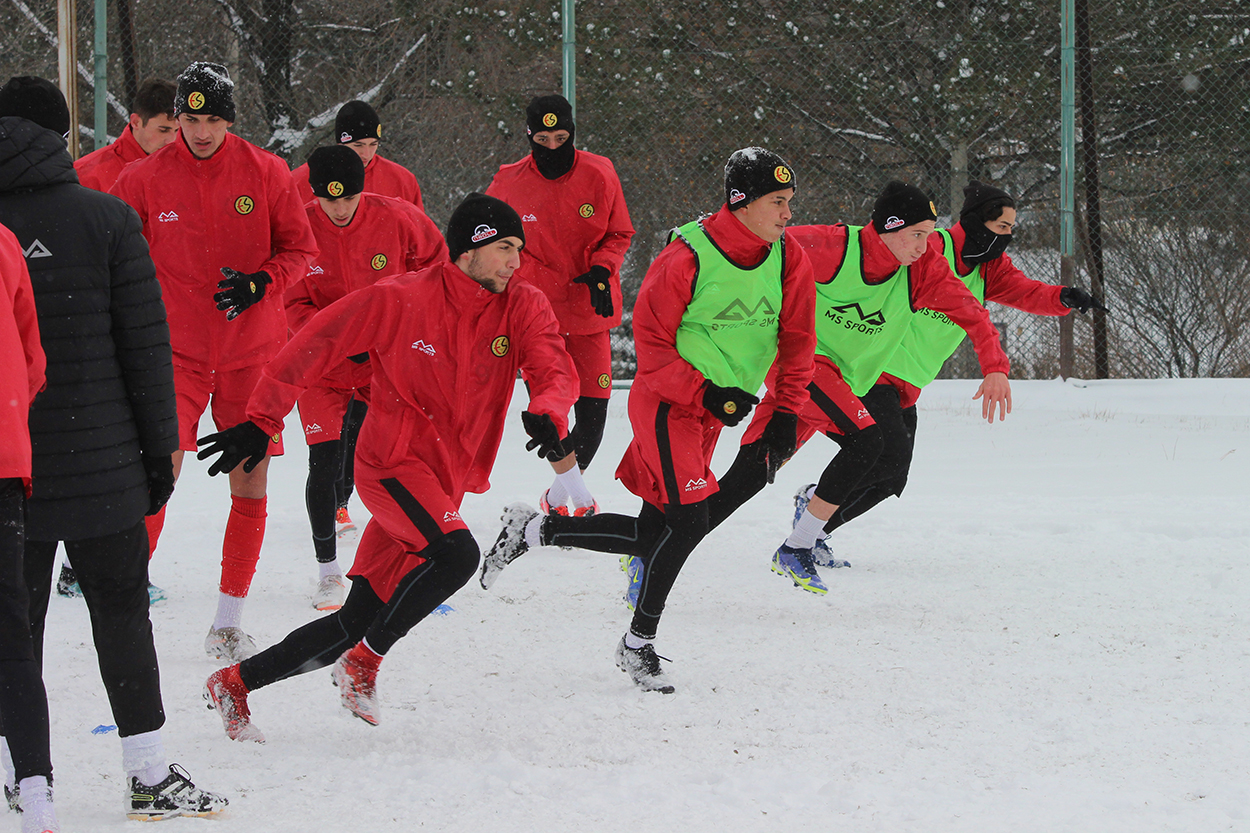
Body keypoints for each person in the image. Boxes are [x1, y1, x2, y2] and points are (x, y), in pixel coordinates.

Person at [200, 193, 577, 740]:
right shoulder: (401, 298)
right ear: (468, 251)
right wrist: (262, 418)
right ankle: (364, 663)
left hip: (441, 479)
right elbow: (315, 343)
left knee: (353, 620)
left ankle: (234, 683)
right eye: (504, 247)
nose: (516, 261)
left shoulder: (522, 303)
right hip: (391, 463)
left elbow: (551, 362)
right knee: (457, 555)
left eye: (519, 248)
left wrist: (548, 409)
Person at [479, 148, 816, 694]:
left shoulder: (789, 257)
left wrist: (786, 412)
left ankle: (534, 530)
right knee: (689, 521)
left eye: (789, 203)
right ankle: (638, 645)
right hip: (669, 403)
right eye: (777, 202)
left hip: (712, 415)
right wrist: (707, 392)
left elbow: (799, 340)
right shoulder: (688, 256)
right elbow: (653, 349)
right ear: (742, 202)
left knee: (652, 534)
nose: (787, 214)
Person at [0, 75, 226, 823]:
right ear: (65, 137)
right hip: (102, 463)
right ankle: (147, 770)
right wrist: (162, 448)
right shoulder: (106, 219)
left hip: (11, 467)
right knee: (123, 615)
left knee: (14, 626)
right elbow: (145, 346)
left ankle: (21, 775)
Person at [704, 180, 1014, 596]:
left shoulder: (922, 269)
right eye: (917, 235)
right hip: (797, 366)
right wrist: (698, 242)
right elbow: (761, 241)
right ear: (888, 228)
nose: (926, 246)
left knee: (752, 473)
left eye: (929, 234)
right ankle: (797, 546)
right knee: (868, 443)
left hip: (836, 382)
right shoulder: (833, 247)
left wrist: (995, 365)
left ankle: (658, 541)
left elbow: (973, 314)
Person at [111, 62, 318, 661]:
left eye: (212, 120)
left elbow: (300, 251)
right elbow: (118, 261)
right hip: (171, 355)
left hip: (250, 356)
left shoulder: (267, 172)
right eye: (189, 119)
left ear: (230, 120)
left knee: (249, 480)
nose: (200, 132)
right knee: (158, 473)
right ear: (175, 119)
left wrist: (261, 284)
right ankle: (127, 603)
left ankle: (228, 619)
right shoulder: (143, 178)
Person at [786, 180, 1106, 560]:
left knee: (893, 477)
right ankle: (806, 528)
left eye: (1011, 230)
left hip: (910, 381)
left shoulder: (990, 268)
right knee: (883, 455)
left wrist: (1061, 297)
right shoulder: (926, 250)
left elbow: (1024, 292)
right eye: (1001, 227)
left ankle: (815, 523)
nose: (1007, 237)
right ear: (975, 222)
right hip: (877, 371)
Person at [288, 145, 448, 611]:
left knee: (398, 461)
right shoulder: (299, 226)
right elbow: (292, 303)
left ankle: (416, 562)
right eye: (327, 199)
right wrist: (335, 338)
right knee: (324, 461)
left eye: (348, 198)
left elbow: (437, 271)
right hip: (323, 366)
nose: (338, 208)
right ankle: (327, 572)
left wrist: (404, 327)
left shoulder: (398, 218)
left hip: (385, 362)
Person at [486, 94, 635, 516]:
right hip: (537, 317)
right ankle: (576, 503)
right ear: (529, 136)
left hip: (589, 312)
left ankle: (556, 495)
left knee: (593, 421)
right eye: (543, 138)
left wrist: (604, 269)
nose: (553, 146)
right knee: (552, 414)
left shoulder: (600, 172)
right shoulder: (508, 182)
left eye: (562, 137)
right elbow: (493, 244)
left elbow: (619, 233)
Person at [0, 220, 57, 833]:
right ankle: (35, 786)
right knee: (12, 630)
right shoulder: (4, 242)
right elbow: (33, 358)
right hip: (4, 457)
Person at [291, 100, 423, 211]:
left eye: (373, 144)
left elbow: (419, 233)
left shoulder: (402, 180)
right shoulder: (303, 179)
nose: (366, 154)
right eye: (358, 145)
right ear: (340, 142)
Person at [74, 77, 178, 194]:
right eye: (163, 130)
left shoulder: (185, 170)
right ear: (136, 122)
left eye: (178, 131)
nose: (171, 141)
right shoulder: (88, 175)